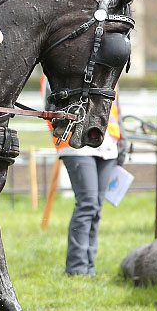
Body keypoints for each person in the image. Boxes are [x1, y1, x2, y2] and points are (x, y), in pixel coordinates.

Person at [42, 75, 126, 276]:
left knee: (95, 208)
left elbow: (116, 110)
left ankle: (89, 266)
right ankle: (77, 268)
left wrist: (123, 140)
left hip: (108, 144)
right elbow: (52, 108)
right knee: (87, 204)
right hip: (76, 144)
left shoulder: (110, 68)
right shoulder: (60, 64)